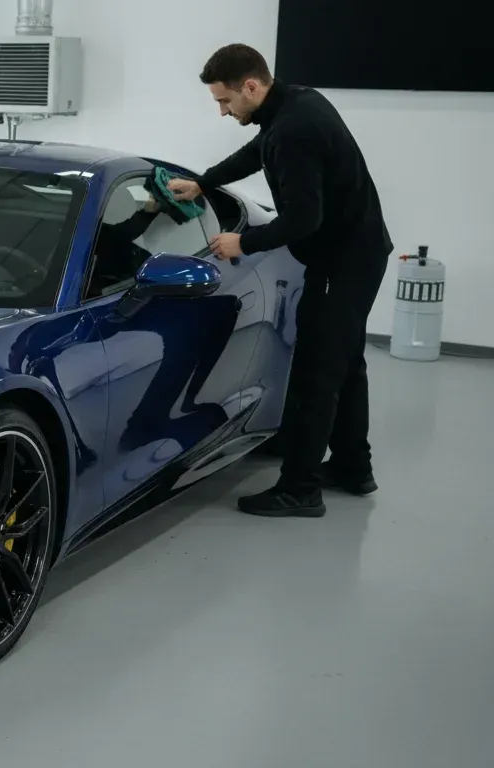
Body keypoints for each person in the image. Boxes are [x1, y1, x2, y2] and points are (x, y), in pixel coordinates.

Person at [167, 43, 392, 518]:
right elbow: (258, 151)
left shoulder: (294, 129)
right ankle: (354, 468)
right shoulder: (296, 102)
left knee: (317, 374)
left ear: (251, 86)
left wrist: (243, 244)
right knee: (346, 364)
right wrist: (204, 181)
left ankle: (300, 490)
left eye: (225, 101)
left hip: (340, 262)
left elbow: (304, 220)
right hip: (361, 251)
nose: (224, 112)